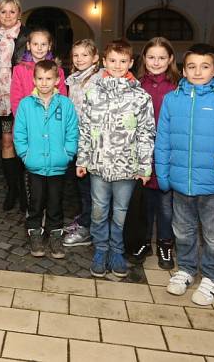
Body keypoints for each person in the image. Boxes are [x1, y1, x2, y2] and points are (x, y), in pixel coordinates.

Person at [157, 43, 214, 306]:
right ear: (183, 70)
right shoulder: (173, 99)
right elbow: (163, 139)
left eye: (205, 66)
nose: (197, 71)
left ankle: (213, 276)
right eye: (191, 66)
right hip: (181, 182)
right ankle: (186, 269)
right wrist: (163, 172)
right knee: (183, 231)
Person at [77, 40, 155, 279]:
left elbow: (146, 132)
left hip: (127, 169)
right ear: (104, 62)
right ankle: (100, 249)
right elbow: (85, 129)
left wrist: (144, 166)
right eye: (112, 61)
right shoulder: (93, 93)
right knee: (99, 211)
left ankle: (117, 250)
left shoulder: (141, 97)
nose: (118, 65)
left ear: (131, 63)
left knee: (120, 212)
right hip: (99, 166)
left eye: (123, 61)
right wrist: (82, 160)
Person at [14, 60, 78, 259]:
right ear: (34, 80)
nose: (44, 83)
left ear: (57, 80)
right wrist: (25, 154)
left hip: (58, 165)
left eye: (48, 78)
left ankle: (55, 234)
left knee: (55, 202)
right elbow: (19, 132)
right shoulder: (26, 105)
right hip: (35, 165)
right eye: (40, 78)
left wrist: (68, 153)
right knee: (36, 201)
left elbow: (72, 131)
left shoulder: (65, 104)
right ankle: (34, 232)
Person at [127, 37, 180, 269]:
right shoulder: (135, 84)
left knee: (166, 205)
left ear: (170, 59)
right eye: (151, 57)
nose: (156, 62)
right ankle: (144, 241)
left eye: (161, 58)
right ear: (143, 59)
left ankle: (165, 245)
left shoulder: (178, 86)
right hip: (142, 152)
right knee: (144, 202)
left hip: (169, 152)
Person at [0, 0, 31, 213]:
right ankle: (12, 190)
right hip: (3, 103)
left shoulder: (28, 38)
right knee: (7, 143)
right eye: (3, 11)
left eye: (11, 11)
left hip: (24, 102)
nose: (7, 15)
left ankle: (26, 194)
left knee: (23, 144)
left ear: (19, 14)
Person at [62, 39, 100, 247]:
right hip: (77, 139)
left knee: (90, 187)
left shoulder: (97, 79)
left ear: (95, 58)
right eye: (76, 55)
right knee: (82, 185)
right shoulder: (74, 79)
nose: (79, 59)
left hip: (91, 142)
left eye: (85, 55)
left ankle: (89, 228)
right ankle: (85, 219)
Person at [9, 28, 68, 115]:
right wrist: (22, 119)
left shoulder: (58, 70)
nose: (39, 48)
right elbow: (15, 99)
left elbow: (62, 97)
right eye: (35, 44)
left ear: (49, 46)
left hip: (51, 118)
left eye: (43, 44)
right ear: (28, 45)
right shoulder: (19, 70)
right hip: (27, 119)